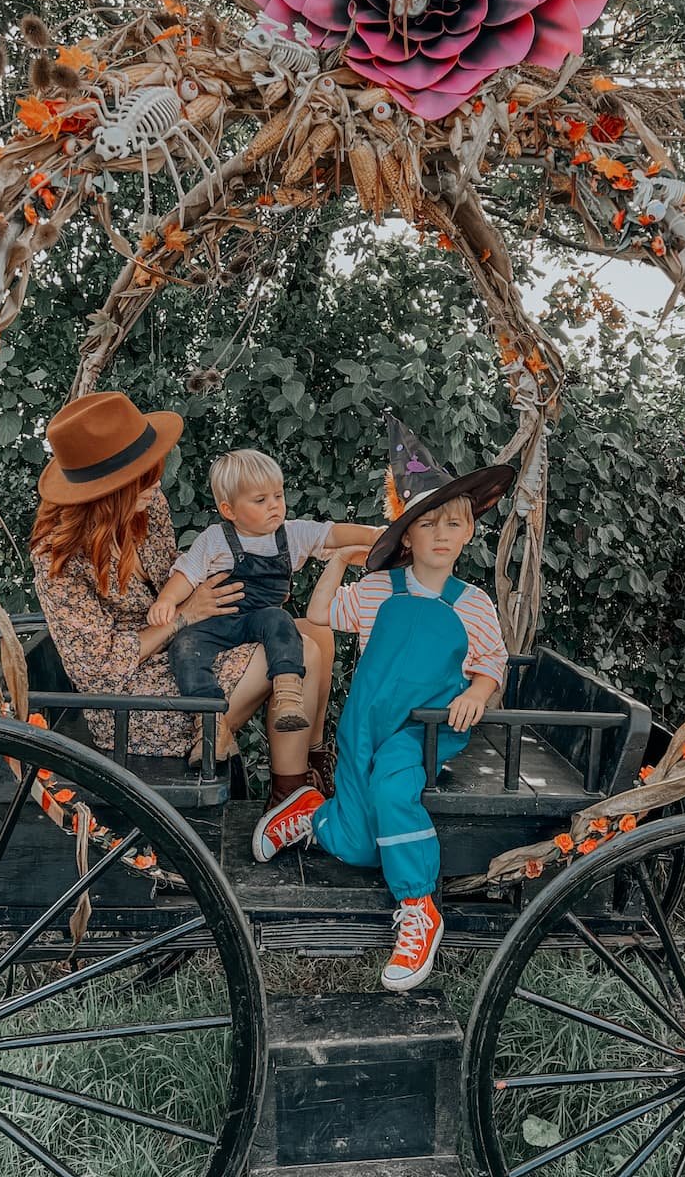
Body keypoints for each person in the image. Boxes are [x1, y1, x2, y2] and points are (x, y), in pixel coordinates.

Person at [251, 415, 514, 993]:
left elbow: (491, 663)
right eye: (427, 525)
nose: (442, 535)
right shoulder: (376, 591)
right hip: (368, 720)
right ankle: (315, 818)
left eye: (453, 523)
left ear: (469, 531)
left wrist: (476, 691)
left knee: (394, 790)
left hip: (427, 728)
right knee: (360, 837)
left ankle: (420, 908)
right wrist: (341, 562)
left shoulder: (473, 604)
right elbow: (320, 617)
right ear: (406, 537)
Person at [30, 391, 330, 804]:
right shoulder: (57, 559)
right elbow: (100, 667)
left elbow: (178, 574)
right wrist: (184, 616)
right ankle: (286, 794)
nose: (157, 482)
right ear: (106, 492)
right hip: (130, 697)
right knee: (305, 651)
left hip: (184, 647)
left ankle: (303, 778)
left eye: (153, 469)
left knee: (313, 632)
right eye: (142, 477)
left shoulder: (149, 507)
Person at [147, 448, 379, 757]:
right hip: (216, 622)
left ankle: (287, 692)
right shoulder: (216, 538)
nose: (274, 506)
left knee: (280, 622)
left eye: (278, 496)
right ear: (229, 510)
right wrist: (167, 599)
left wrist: (375, 535)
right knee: (185, 646)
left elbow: (332, 533)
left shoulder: (290, 535)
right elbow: (187, 574)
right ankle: (210, 720)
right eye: (260, 500)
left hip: (260, 621)